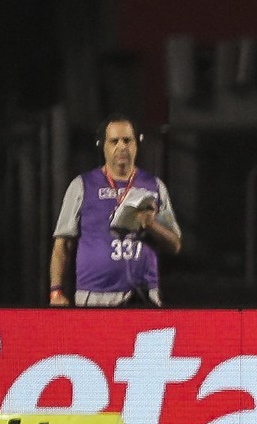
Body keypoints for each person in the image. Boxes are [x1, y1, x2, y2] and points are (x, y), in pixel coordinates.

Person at [49, 114, 182, 307]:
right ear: (102, 145)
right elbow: (62, 245)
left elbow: (175, 244)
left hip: (143, 297)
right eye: (114, 141)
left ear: (138, 143)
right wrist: (56, 292)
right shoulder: (82, 186)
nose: (121, 147)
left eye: (127, 140)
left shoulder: (154, 186)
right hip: (94, 296)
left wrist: (151, 225)